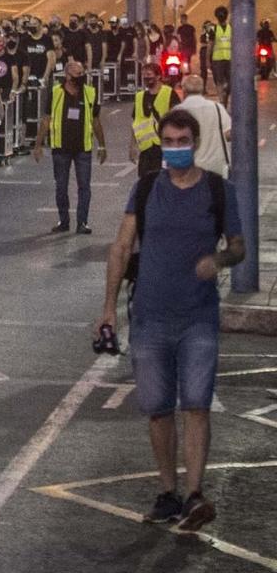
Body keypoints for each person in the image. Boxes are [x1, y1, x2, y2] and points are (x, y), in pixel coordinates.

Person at [98, 108, 246, 533]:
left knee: (197, 405)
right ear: (161, 144)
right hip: (149, 318)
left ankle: (195, 493)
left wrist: (216, 260)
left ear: (195, 145)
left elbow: (238, 247)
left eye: (184, 142)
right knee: (158, 410)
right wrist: (108, 308)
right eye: (170, 142)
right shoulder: (146, 190)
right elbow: (121, 248)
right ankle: (168, 492)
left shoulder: (219, 191)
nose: (177, 149)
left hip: (198, 317)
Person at [34, 60, 105, 234]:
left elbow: (96, 120)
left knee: (84, 186)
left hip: (83, 148)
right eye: (77, 75)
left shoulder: (90, 93)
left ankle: (82, 222)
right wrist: (38, 144)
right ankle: (64, 221)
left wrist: (102, 145)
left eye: (82, 74)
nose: (81, 77)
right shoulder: (56, 93)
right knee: (61, 186)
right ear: (67, 75)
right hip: (61, 148)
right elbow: (46, 119)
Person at [175, 75, 231, 178]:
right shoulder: (217, 108)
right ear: (202, 89)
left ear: (184, 90)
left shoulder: (178, 111)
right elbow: (228, 134)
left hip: (188, 169)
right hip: (216, 167)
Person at [129, 59, 176, 178]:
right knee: (145, 185)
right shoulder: (139, 97)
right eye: (144, 75)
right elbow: (135, 123)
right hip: (146, 149)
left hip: (164, 148)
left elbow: (178, 120)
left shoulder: (169, 93)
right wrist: (132, 146)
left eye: (149, 75)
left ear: (159, 76)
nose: (145, 78)